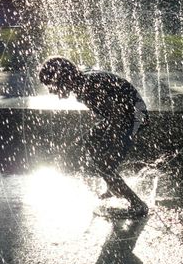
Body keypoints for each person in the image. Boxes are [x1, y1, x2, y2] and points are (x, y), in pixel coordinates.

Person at [38, 56, 149, 216]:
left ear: (62, 78)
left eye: (51, 84)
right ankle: (112, 186)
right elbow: (112, 112)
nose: (50, 90)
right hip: (123, 115)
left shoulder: (88, 87)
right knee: (90, 143)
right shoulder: (81, 81)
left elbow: (117, 115)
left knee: (104, 165)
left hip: (133, 117)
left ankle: (138, 205)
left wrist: (112, 141)